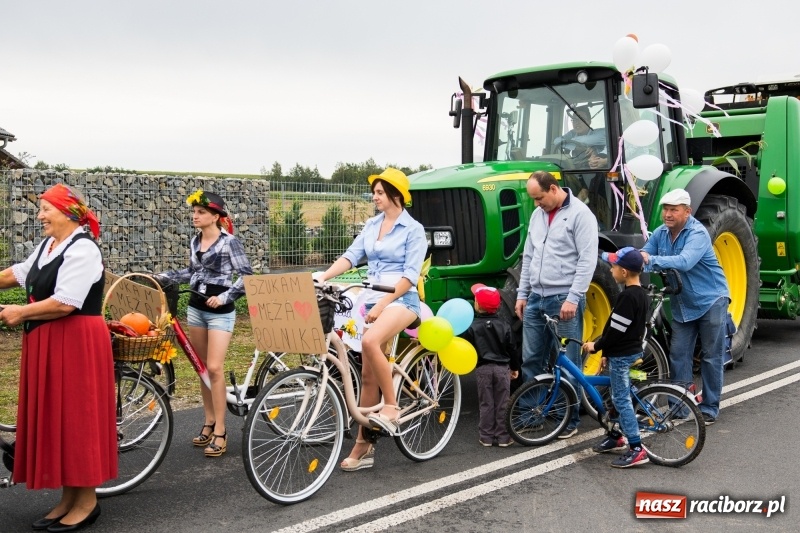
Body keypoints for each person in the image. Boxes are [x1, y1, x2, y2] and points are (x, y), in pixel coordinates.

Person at [0, 183, 117, 531]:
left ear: (67, 212)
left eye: (45, 209)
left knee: (76, 418)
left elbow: (66, 302)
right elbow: (17, 273)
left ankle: (87, 502)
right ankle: (69, 498)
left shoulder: (83, 250)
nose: (40, 216)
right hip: (49, 341)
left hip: (77, 342)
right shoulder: (50, 246)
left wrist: (21, 312)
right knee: (58, 418)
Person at [316, 168, 426, 471]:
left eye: (379, 192)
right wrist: (322, 277)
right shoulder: (373, 224)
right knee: (366, 375)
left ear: (395, 194)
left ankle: (391, 405)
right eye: (374, 192)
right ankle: (364, 445)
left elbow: (409, 276)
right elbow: (352, 256)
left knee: (370, 340)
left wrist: (387, 301)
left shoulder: (413, 230)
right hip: (373, 298)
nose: (374, 197)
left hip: (401, 299)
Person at [156, 189, 252, 457]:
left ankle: (221, 429)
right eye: (194, 212)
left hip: (220, 311)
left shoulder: (229, 242)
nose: (195, 216)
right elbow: (191, 272)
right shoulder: (194, 240)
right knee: (202, 369)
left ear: (215, 216)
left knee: (214, 367)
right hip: (196, 308)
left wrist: (225, 297)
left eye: (201, 213)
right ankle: (209, 420)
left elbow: (246, 276)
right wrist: (163, 276)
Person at [514, 170, 598, 439]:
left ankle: (569, 419)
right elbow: (529, 256)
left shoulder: (581, 215)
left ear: (553, 189)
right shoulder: (537, 215)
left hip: (563, 299)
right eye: (534, 200)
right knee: (531, 359)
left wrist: (573, 297)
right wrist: (522, 293)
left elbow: (587, 260)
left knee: (568, 362)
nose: (537, 204)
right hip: (536, 298)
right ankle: (532, 415)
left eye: (539, 198)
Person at [641, 188, 729, 425]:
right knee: (679, 355)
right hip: (683, 304)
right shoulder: (660, 233)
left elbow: (684, 262)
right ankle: (678, 407)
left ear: (687, 212)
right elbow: (644, 255)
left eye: (673, 210)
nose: (667, 214)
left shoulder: (697, 233)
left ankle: (710, 407)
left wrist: (650, 260)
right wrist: (628, 257)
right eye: (665, 209)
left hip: (711, 300)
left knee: (711, 356)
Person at [582, 247, 650, 468]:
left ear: (624, 271)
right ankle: (615, 436)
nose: (611, 270)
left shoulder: (627, 297)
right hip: (626, 351)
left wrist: (597, 346)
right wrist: (607, 354)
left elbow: (615, 331)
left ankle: (636, 448)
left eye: (613, 266)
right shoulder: (641, 294)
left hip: (622, 354)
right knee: (617, 392)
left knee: (620, 399)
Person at [461, 283, 520, 447]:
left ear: (477, 305)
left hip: (482, 369)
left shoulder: (472, 327)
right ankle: (503, 437)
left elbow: (467, 348)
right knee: (503, 402)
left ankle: (486, 437)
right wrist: (515, 367)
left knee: (486, 403)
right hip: (502, 370)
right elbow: (512, 349)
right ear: (499, 306)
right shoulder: (505, 326)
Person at [553, 106, 608, 170]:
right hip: (574, 170)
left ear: (589, 121)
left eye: (581, 119)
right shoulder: (572, 133)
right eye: (574, 120)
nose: (577, 123)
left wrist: (569, 143)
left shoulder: (600, 133)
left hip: (594, 170)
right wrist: (576, 147)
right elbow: (556, 141)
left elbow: (584, 140)